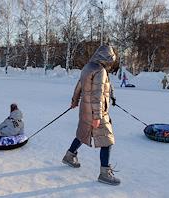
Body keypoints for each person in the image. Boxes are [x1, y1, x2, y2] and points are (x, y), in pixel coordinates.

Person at [62, 45, 120, 186]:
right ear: (107, 58)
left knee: (83, 133)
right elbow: (97, 96)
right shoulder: (100, 70)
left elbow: (79, 85)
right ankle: (104, 173)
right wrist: (97, 117)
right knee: (107, 140)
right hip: (96, 111)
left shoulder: (88, 67)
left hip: (85, 109)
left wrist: (74, 101)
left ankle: (69, 156)